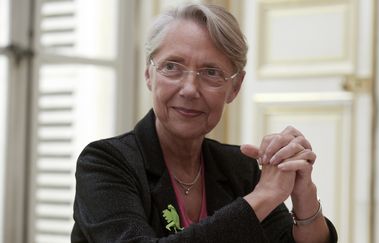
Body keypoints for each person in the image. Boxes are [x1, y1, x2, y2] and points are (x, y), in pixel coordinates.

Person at [71, 3, 338, 243]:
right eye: (172, 66)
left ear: (234, 87)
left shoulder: (240, 169)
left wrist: (304, 194)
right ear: (149, 75)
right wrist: (262, 197)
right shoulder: (105, 162)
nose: (189, 89)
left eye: (211, 72)